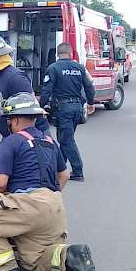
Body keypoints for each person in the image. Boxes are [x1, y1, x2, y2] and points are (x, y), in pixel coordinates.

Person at [0, 93, 96, 271]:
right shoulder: (50, 142)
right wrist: (47, 197)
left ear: (14, 119)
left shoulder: (11, 141)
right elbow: (64, 175)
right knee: (35, 258)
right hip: (54, 205)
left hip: (27, 205)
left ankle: (2, 268)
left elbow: (0, 183)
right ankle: (70, 256)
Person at [0, 33, 51, 166]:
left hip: (33, 139)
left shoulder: (16, 79)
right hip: (12, 139)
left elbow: (30, 116)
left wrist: (20, 147)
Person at [39, 43, 96, 182]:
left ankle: (77, 171)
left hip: (63, 109)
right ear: (71, 54)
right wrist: (91, 102)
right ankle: (60, 168)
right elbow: (89, 86)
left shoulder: (53, 68)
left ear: (57, 54)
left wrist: (39, 107)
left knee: (66, 140)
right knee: (65, 138)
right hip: (77, 108)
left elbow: (47, 90)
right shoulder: (79, 68)